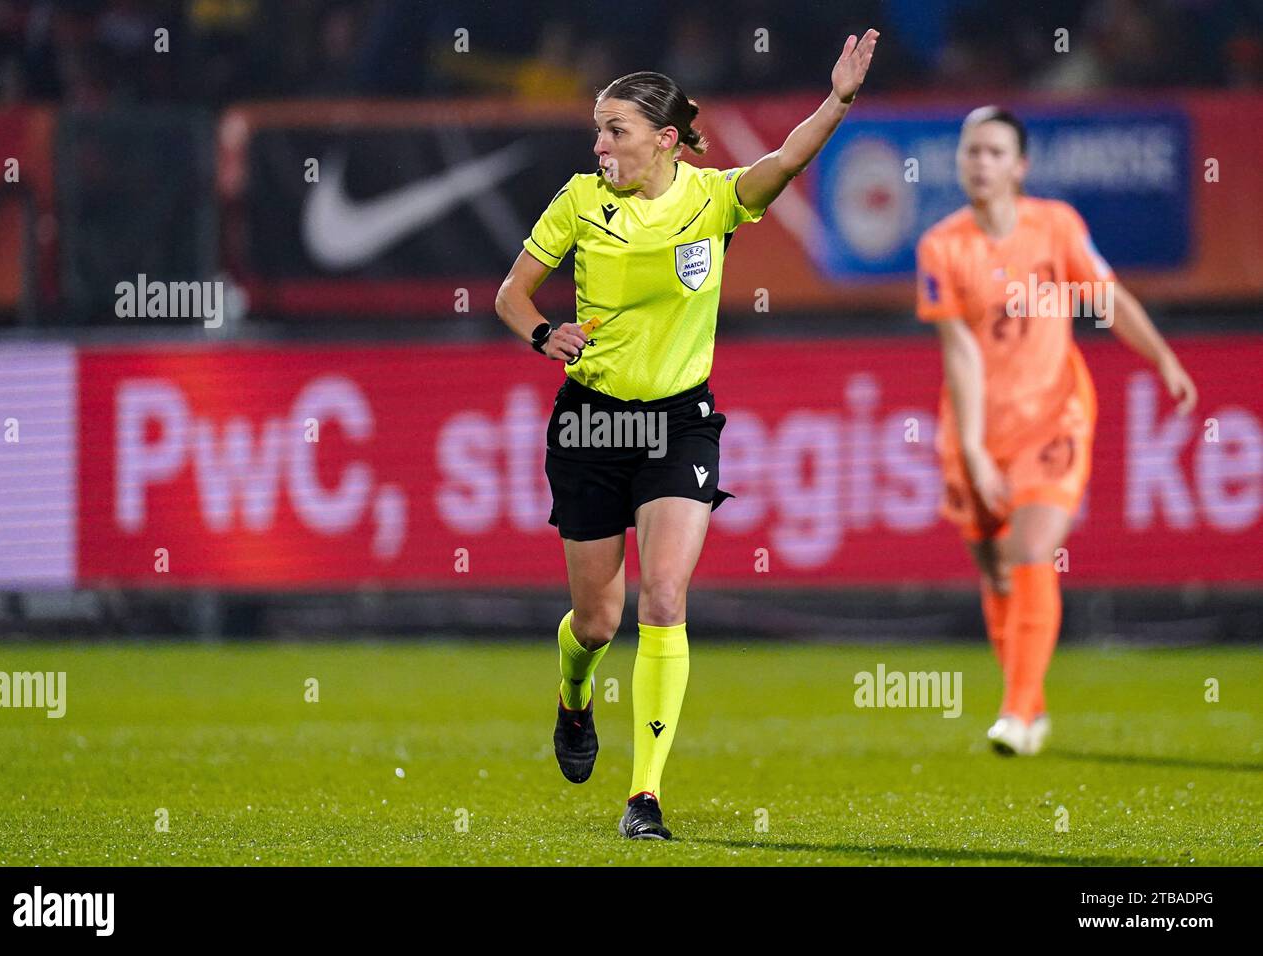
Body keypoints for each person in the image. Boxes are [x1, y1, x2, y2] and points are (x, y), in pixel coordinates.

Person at [495, 32, 879, 838]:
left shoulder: (713, 197)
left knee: (664, 598)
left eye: (617, 131)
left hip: (679, 423)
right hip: (593, 422)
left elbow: (788, 158)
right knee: (597, 622)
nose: (601, 145)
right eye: (599, 131)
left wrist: (838, 100)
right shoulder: (577, 202)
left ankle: (644, 797)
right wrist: (541, 335)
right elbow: (511, 295)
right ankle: (573, 699)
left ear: (665, 139)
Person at [916, 106, 1199, 756]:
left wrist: (1162, 357)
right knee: (995, 573)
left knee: (1032, 548)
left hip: (1054, 416)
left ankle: (1014, 714)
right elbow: (958, 352)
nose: (980, 163)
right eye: (970, 152)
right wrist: (976, 449)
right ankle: (1032, 705)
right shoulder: (943, 245)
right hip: (976, 427)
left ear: (1020, 166)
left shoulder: (1056, 227)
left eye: (993, 152)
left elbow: (1108, 297)